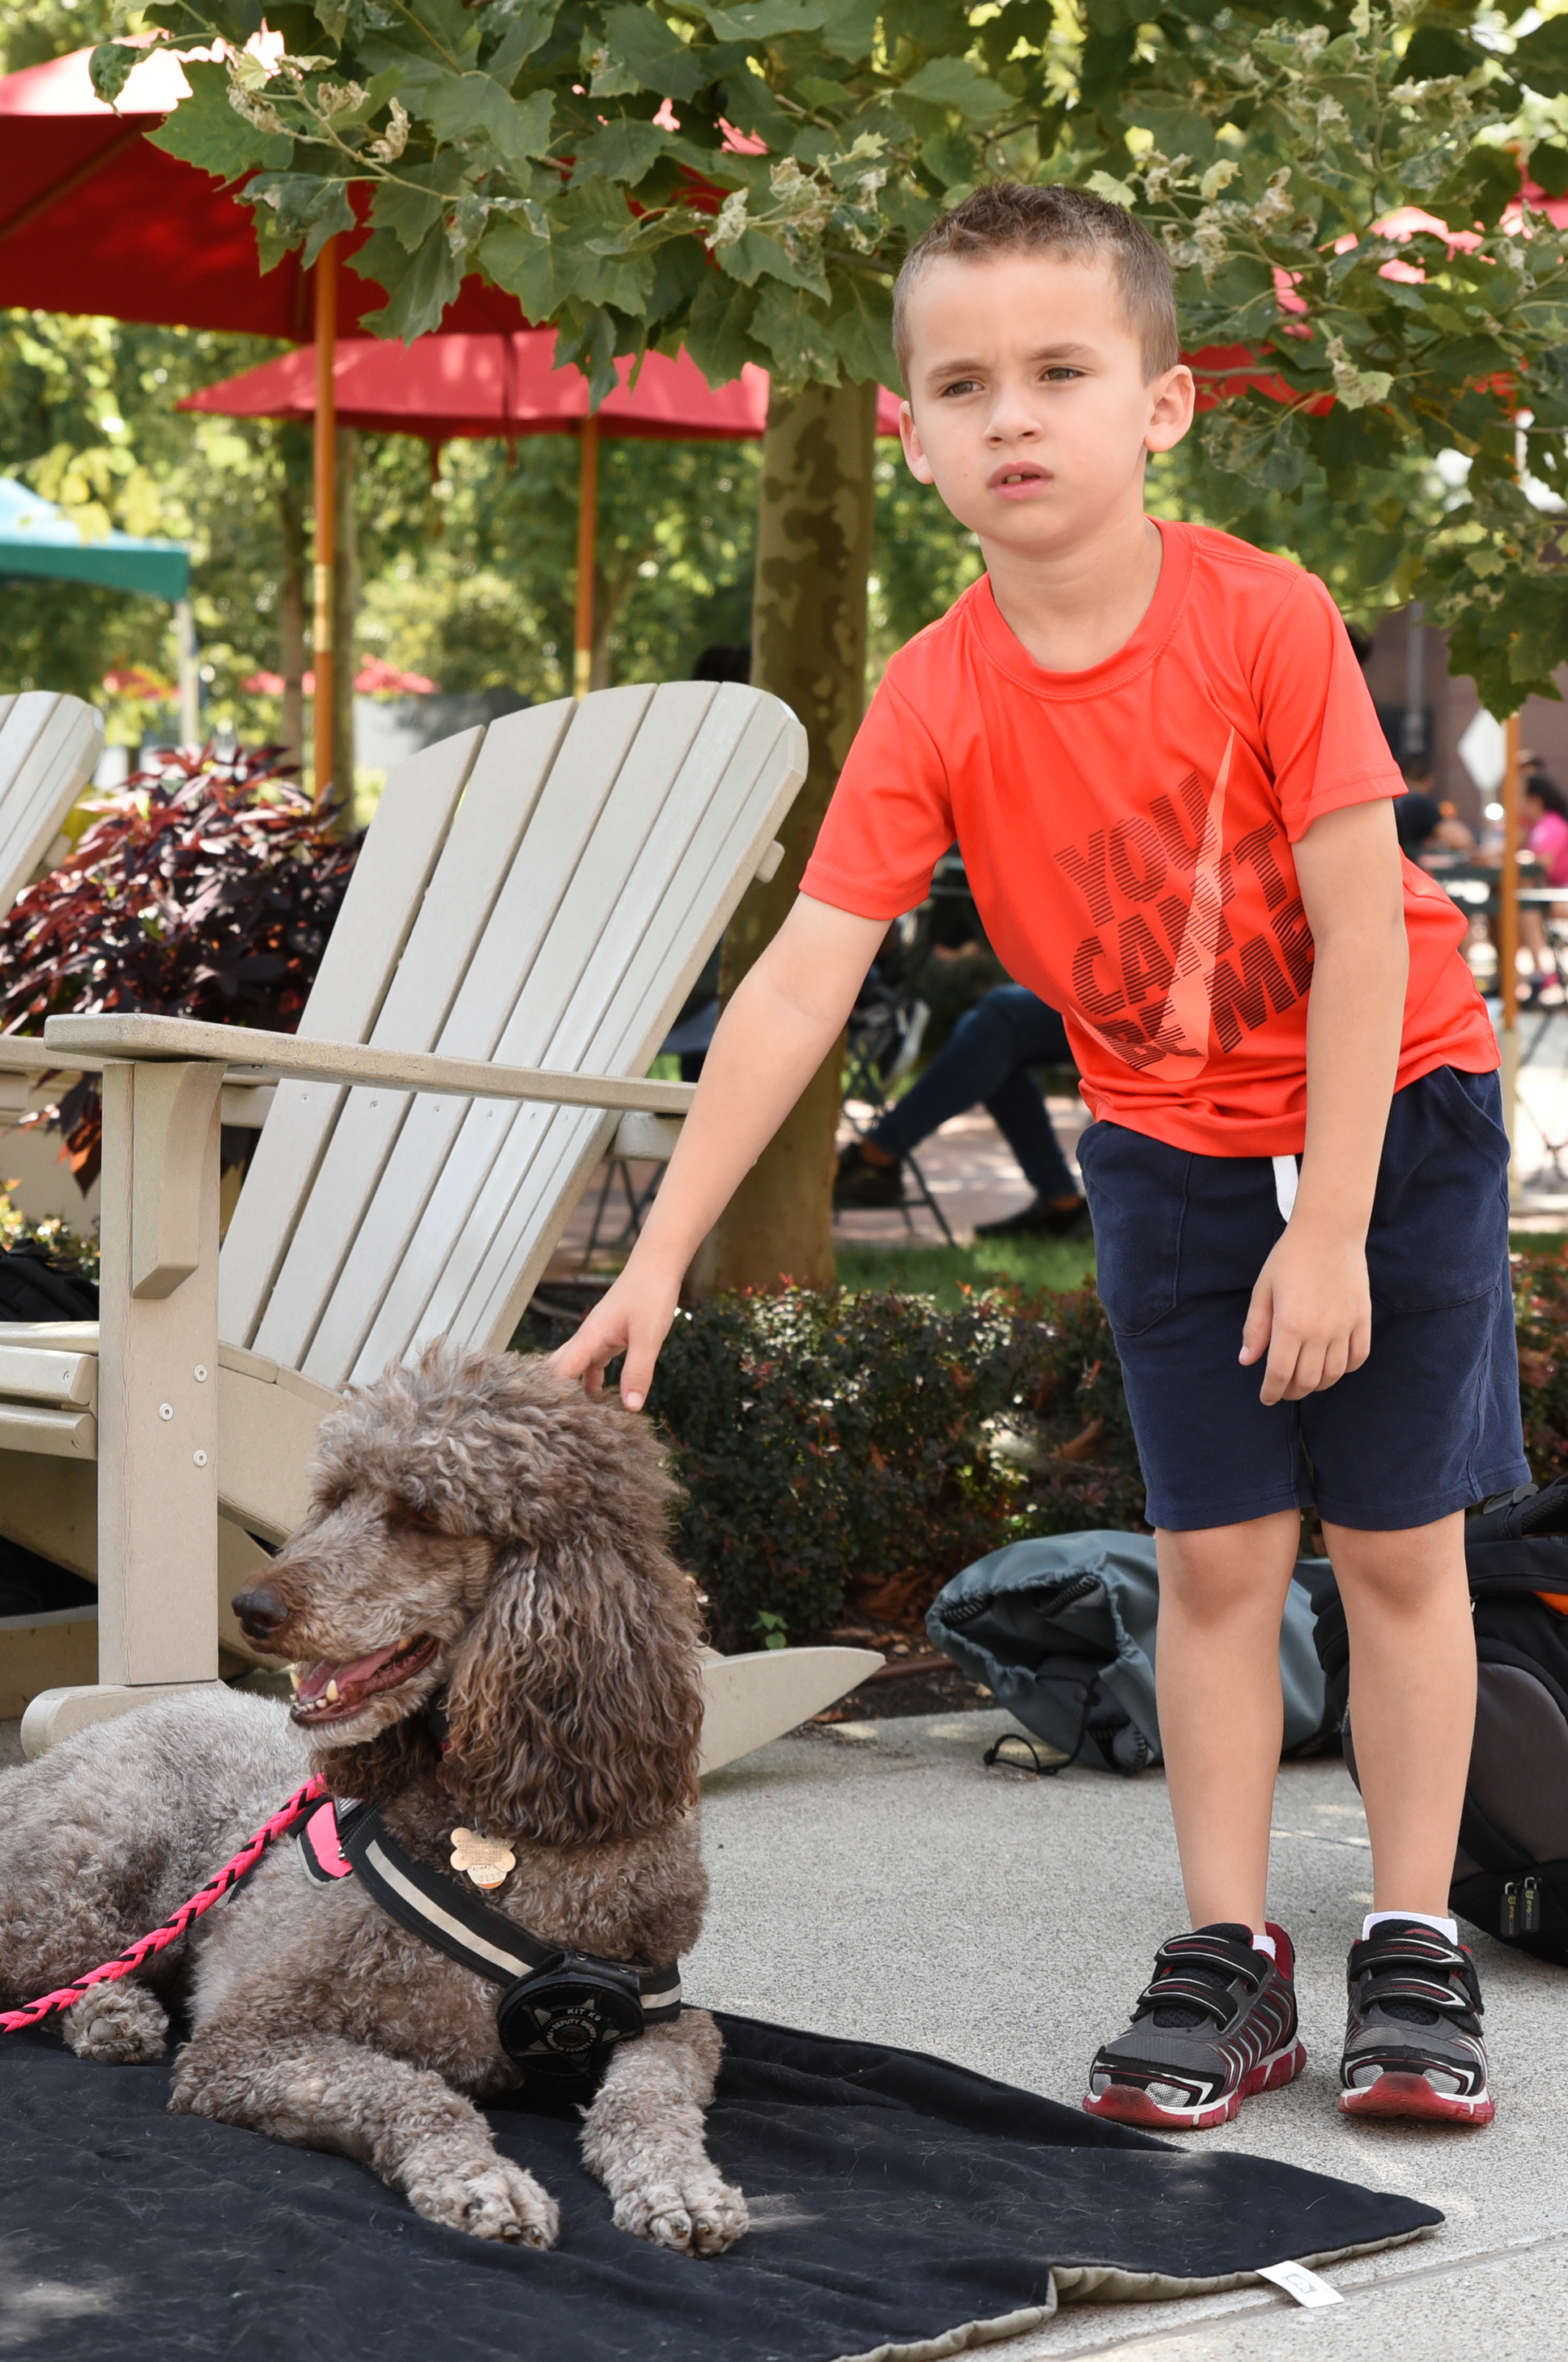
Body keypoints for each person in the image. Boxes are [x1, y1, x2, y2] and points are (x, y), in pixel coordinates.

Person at [552, 181, 1515, 2132]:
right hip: (1164, 1143)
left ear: (1158, 405)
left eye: (1059, 371)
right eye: (961, 383)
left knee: (1396, 1549)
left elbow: (1360, 928)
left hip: (1391, 1108)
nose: (1010, 414)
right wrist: (656, 1253)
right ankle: (1229, 1955)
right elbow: (801, 975)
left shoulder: (1263, 617)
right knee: (1213, 1560)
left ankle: (1413, 1939)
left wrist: (1332, 1221)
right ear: (907, 434)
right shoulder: (932, 689)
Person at [833, 980, 1088, 1234]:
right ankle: (1061, 1204)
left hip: (1112, 1001)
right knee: (982, 1031)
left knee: (1002, 1021)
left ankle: (877, 1154)